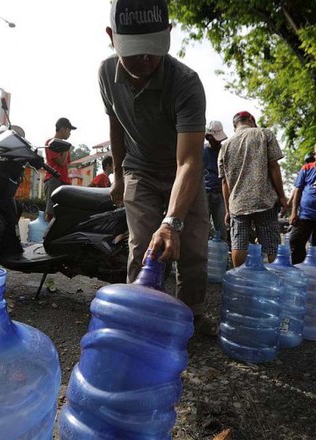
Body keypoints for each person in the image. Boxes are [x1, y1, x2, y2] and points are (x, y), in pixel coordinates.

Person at [100, 0, 216, 335]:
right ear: (112, 36)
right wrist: (119, 176)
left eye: (152, 49)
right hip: (139, 169)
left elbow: (190, 160)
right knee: (141, 247)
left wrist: (172, 222)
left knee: (193, 248)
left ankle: (191, 314)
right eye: (134, 51)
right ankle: (139, 314)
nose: (145, 59)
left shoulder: (186, 83)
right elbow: (116, 125)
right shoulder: (106, 74)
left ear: (167, 34)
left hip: (183, 173)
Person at [218, 111, 287, 266]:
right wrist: (282, 196)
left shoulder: (225, 146)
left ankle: (239, 279)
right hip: (264, 200)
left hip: (238, 203)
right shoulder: (264, 134)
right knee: (270, 244)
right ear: (251, 119)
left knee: (239, 243)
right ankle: (272, 281)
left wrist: (228, 210)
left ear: (235, 125)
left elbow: (224, 182)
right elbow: (274, 166)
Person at [44, 117, 76, 221]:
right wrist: (66, 148)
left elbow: (67, 163)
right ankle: (48, 235)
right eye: (69, 130)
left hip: (64, 181)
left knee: (63, 213)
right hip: (54, 179)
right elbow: (61, 162)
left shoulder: (64, 145)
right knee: (51, 212)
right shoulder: (50, 142)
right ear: (63, 129)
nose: (70, 134)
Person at [203, 120, 227, 240]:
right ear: (208, 137)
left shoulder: (225, 151)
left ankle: (221, 250)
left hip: (220, 193)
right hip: (204, 193)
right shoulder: (201, 151)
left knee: (221, 228)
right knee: (202, 227)